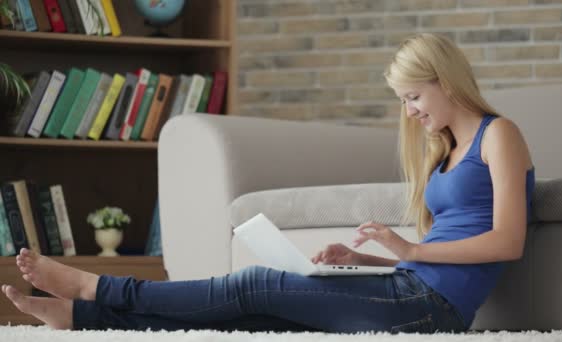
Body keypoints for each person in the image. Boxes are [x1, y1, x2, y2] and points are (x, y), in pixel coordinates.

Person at [1, 33, 534, 333]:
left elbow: (508, 242)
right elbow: (442, 249)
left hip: (432, 309)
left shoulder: (499, 135)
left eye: (414, 96)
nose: (410, 111)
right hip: (410, 285)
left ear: (446, 81)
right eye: (404, 101)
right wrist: (369, 260)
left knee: (253, 283)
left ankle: (99, 286)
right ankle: (84, 316)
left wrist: (410, 248)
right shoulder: (445, 151)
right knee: (255, 312)